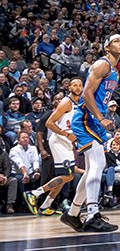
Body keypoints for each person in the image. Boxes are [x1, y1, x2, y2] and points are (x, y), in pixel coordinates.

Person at [61, 34, 120, 232]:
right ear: (107, 47)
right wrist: (100, 117)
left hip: (94, 120)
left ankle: (72, 214)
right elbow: (87, 93)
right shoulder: (102, 65)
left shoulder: (115, 71)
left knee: (91, 170)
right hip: (87, 118)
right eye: (116, 41)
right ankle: (93, 214)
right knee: (98, 163)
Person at [24, 77, 82, 215]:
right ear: (69, 87)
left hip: (67, 141)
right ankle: (34, 193)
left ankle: (45, 206)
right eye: (75, 85)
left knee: (68, 175)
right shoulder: (66, 102)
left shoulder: (78, 102)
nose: (78, 87)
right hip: (59, 140)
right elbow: (49, 123)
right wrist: (66, 135)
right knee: (68, 176)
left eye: (80, 85)